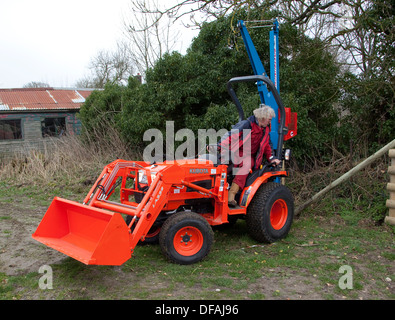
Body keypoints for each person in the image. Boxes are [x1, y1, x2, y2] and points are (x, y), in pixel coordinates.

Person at [218, 105, 281, 207]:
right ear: (262, 117)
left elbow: (267, 146)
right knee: (222, 166)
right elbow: (231, 136)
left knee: (247, 164)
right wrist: (219, 146)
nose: (270, 122)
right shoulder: (247, 125)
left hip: (249, 157)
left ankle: (231, 194)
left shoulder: (265, 130)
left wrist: (272, 158)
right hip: (237, 152)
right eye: (269, 119)